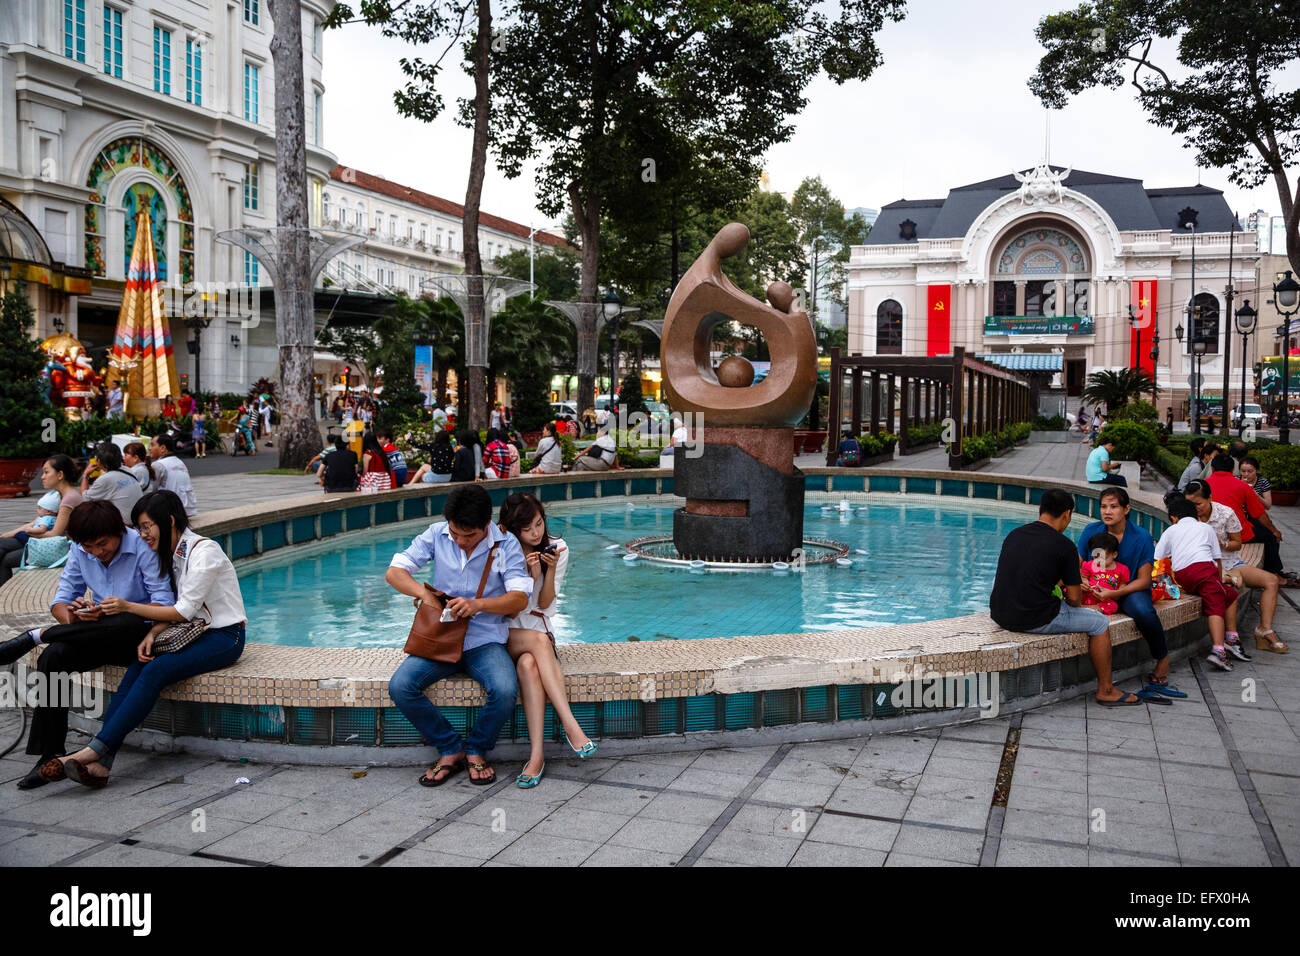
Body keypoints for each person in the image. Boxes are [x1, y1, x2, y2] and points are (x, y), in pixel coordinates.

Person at [51, 491, 246, 789]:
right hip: (193, 631)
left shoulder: (204, 552)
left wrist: (127, 607)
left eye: (145, 526)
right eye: (139, 528)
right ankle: (102, 764)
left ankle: (96, 750)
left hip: (225, 636)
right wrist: (153, 633)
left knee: (156, 670)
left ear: (167, 521)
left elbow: (182, 609)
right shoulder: (174, 552)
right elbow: (177, 610)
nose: (141, 535)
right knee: (139, 665)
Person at [0, 500, 173, 789]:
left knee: (127, 620)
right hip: (97, 633)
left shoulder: (141, 547)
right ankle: (50, 754)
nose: (97, 552)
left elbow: (165, 603)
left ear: (119, 531)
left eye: (102, 544)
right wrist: (75, 613)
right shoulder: (81, 551)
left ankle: (37, 635)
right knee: (53, 658)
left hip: (138, 635)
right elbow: (61, 600)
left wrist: (123, 607)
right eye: (89, 547)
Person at [386, 484, 532, 787]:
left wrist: (478, 605)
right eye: (455, 535)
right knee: (401, 686)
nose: (461, 542)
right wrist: (423, 595)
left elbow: (519, 598)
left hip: (485, 640)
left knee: (505, 690)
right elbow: (395, 572)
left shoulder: (506, 545)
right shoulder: (436, 534)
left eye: (470, 536)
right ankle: (449, 747)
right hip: (440, 638)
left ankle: (477, 747)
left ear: (486, 526)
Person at [989, 489, 1139, 705]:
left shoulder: (1015, 534)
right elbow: (1075, 600)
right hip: (1033, 619)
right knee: (1098, 623)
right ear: (1067, 514)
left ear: (1040, 510)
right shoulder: (1064, 545)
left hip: (1001, 614)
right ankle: (1106, 689)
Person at [496, 493, 595, 786]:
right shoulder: (501, 551)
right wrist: (525, 576)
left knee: (528, 664)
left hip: (537, 632)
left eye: (539, 523)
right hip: (505, 632)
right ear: (513, 531)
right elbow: (506, 608)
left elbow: (547, 606)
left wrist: (547, 571)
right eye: (527, 529)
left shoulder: (558, 548)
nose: (536, 533)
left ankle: (536, 756)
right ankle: (571, 725)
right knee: (537, 643)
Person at [1076, 487, 1182, 703]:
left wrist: (1116, 592)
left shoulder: (1141, 537)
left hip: (1128, 590)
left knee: (1144, 612)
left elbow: (1143, 580)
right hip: (1095, 592)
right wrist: (1083, 580)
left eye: (1113, 506)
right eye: (1104, 506)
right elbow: (1077, 565)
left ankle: (1162, 658)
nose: (1107, 511)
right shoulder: (1091, 531)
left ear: (1126, 509)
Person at [1184, 478, 1284, 656]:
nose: (1195, 508)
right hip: (1201, 566)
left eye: (1198, 503)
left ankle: (1265, 629)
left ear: (1210, 498)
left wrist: (1220, 543)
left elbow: (1237, 543)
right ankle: (1231, 638)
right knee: (1229, 588)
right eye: (1190, 504)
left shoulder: (1225, 513)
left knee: (1271, 581)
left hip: (1230, 562)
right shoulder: (1187, 517)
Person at [1157, 497, 1241, 672]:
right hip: (1203, 569)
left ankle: (1232, 636)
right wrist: (1217, 580)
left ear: (1173, 517)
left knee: (1231, 594)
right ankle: (1219, 650)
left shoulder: (1171, 530)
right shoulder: (1206, 527)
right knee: (1216, 605)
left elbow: (1157, 558)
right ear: (1196, 515)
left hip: (1182, 575)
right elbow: (1216, 558)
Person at [0, 455, 83, 586]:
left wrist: (28, 533)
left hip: (60, 549)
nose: (42, 477)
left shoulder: (69, 499)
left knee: (6, 559)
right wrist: (7, 535)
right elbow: (35, 522)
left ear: (60, 474)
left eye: (46, 472)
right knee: (2, 544)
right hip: (47, 542)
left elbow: (54, 534)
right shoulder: (57, 495)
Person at [81, 441, 143, 524]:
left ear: (98, 461)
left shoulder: (105, 479)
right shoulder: (127, 470)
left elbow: (85, 498)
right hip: (137, 520)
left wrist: (85, 475)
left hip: (124, 525)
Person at [148, 432, 198, 516]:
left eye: (152, 445)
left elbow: (151, 489)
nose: (149, 448)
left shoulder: (158, 465)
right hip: (188, 509)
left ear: (163, 448)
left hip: (172, 512)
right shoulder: (179, 462)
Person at [1080, 532, 1129, 615]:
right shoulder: (1089, 565)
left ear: (1114, 554)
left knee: (1113, 606)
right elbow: (1083, 577)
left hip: (1105, 600)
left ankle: (1090, 608)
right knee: (1072, 589)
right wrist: (1084, 583)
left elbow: (1122, 586)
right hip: (1088, 595)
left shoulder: (1123, 569)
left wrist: (1115, 594)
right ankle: (1081, 606)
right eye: (1095, 557)